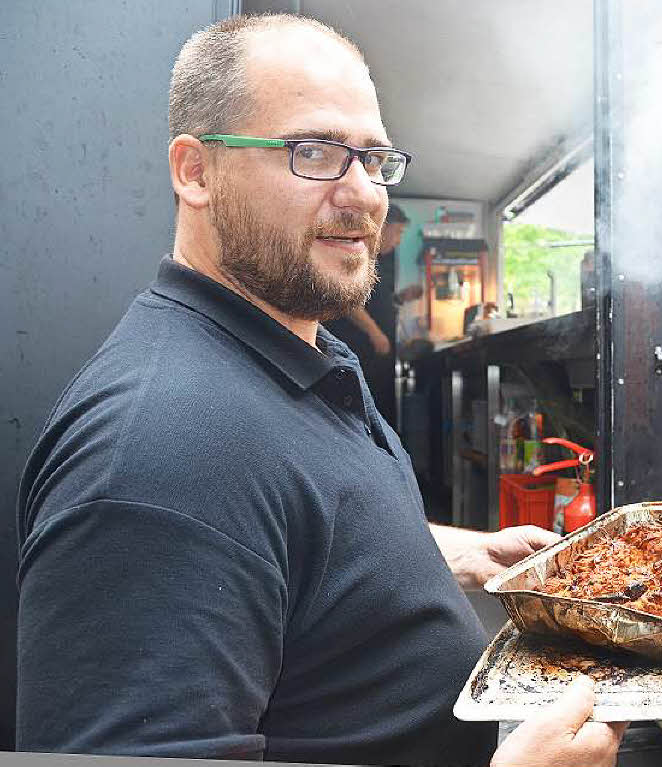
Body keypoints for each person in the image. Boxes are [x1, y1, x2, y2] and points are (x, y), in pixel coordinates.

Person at [15, 13, 626, 767]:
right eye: (315, 152)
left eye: (373, 158)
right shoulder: (157, 455)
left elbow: (291, 538)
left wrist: (457, 552)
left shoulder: (292, 344)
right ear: (196, 171)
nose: (366, 195)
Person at [325, 203, 421, 428]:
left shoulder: (384, 262)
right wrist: (375, 332)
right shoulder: (355, 252)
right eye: (398, 232)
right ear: (382, 226)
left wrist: (400, 299)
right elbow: (344, 298)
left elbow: (376, 303)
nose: (398, 240)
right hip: (359, 346)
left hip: (377, 354)